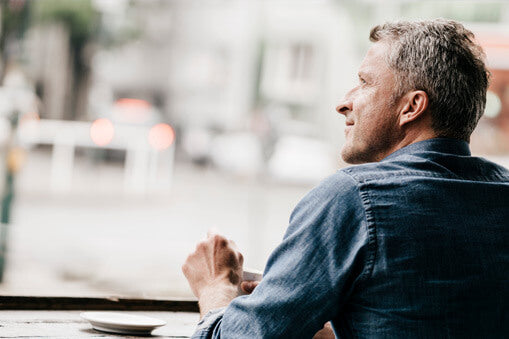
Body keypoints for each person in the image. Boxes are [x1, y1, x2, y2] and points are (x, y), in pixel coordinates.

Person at [182, 19, 509, 338]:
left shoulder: (353, 197)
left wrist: (214, 287)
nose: (343, 103)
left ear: (412, 107)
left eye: (365, 83)